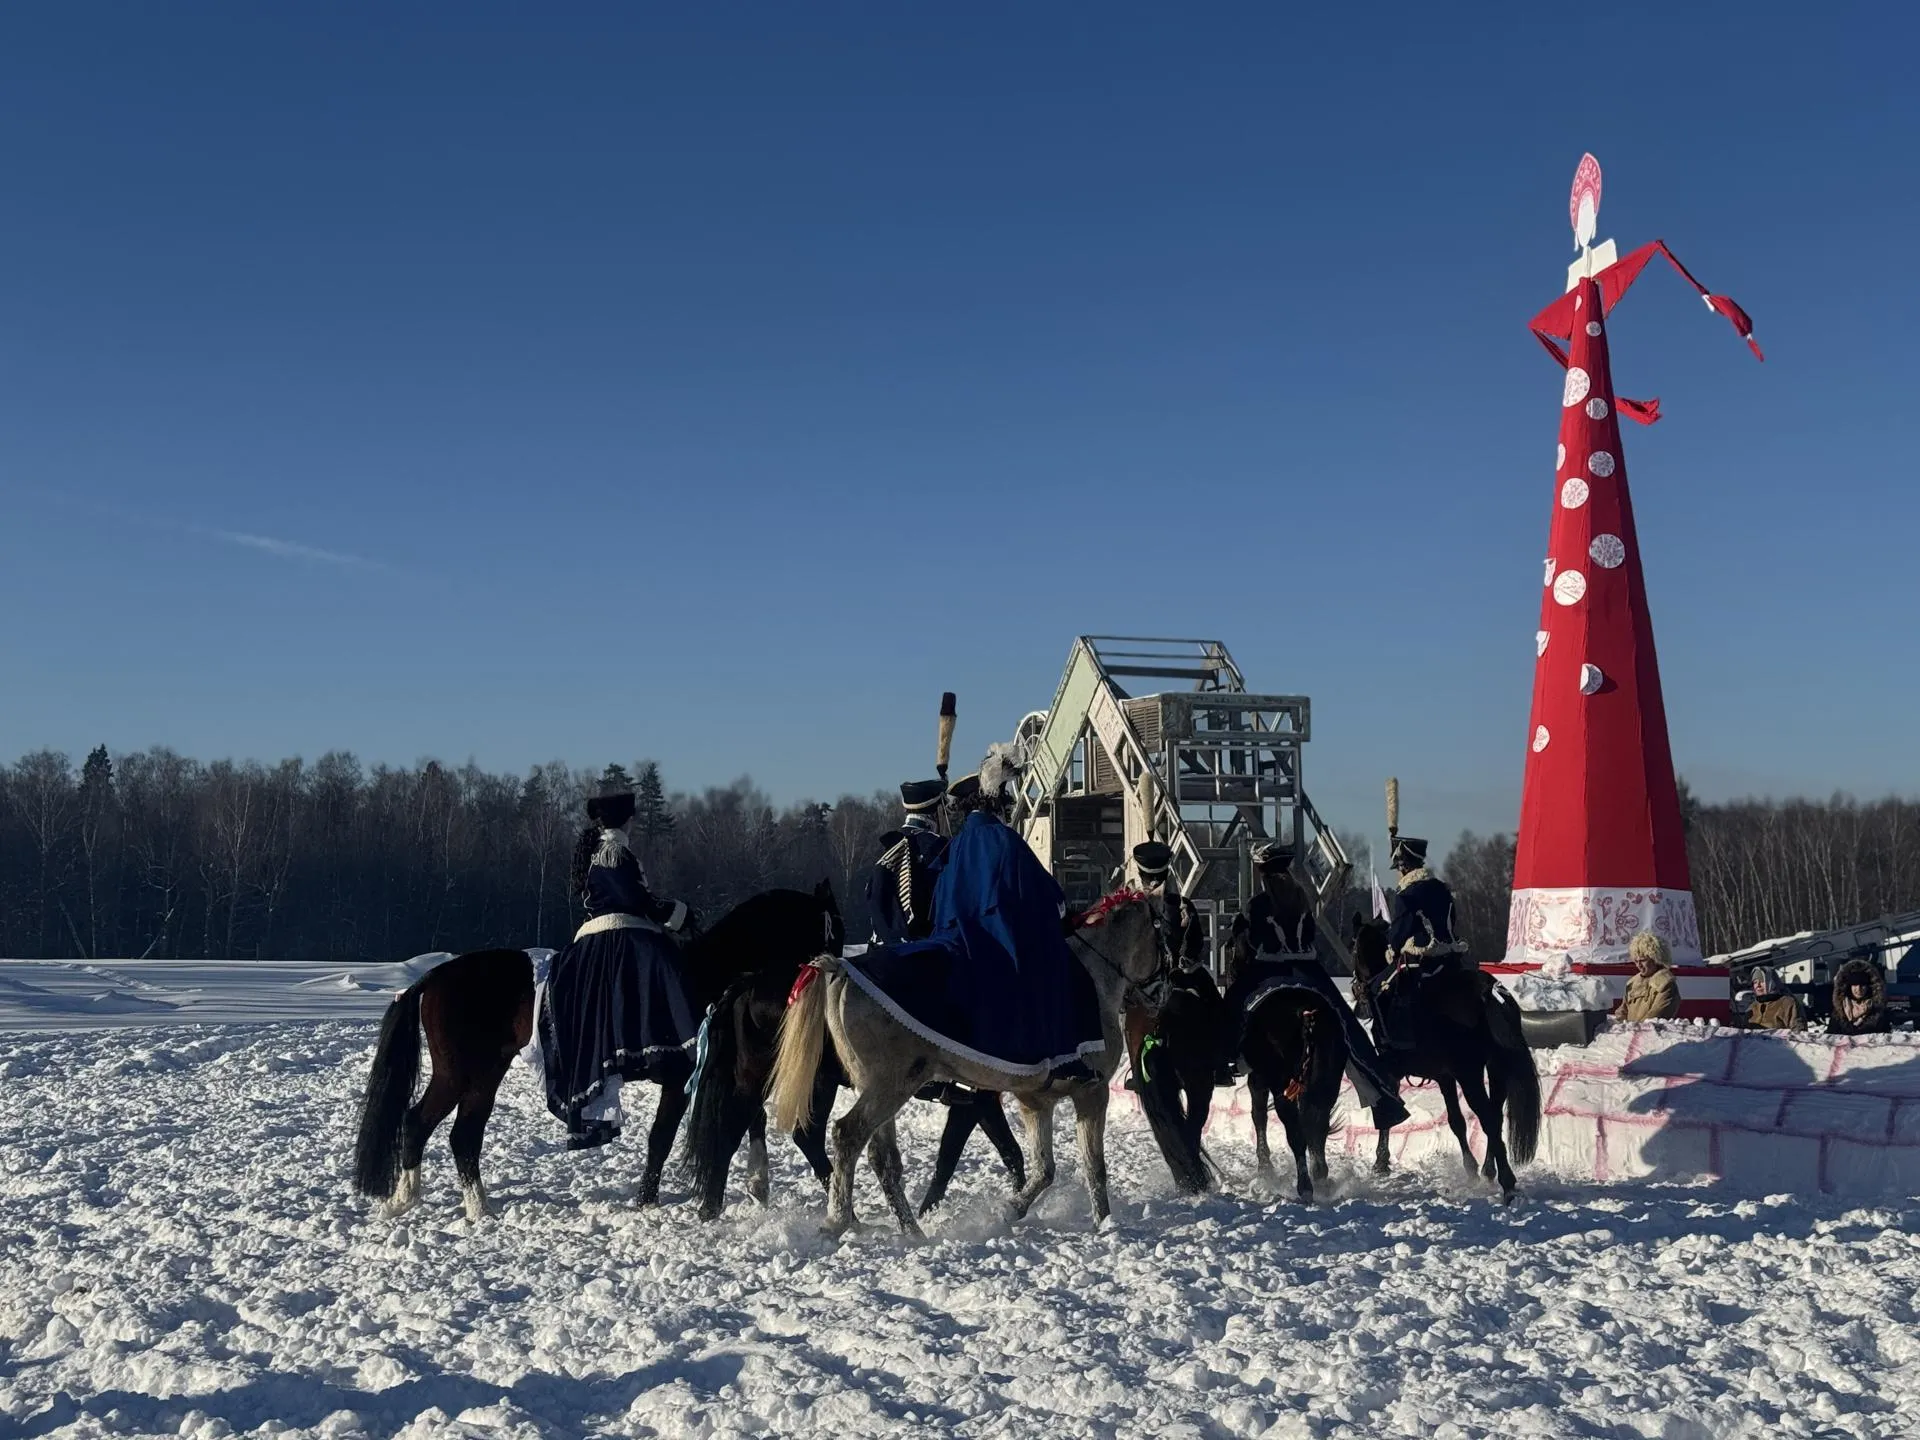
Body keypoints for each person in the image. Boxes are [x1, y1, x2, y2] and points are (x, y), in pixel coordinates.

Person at [845, 764, 1104, 1085]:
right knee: (1068, 969)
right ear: (997, 804)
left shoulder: (954, 847)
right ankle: (1067, 1057)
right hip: (995, 944)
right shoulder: (1003, 839)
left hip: (951, 940)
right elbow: (1046, 897)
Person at [538, 780, 699, 1148]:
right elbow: (636, 900)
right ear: (625, 820)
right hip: (621, 933)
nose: (635, 825)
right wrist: (679, 913)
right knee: (667, 966)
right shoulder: (615, 854)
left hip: (596, 933)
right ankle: (673, 1045)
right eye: (632, 819)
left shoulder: (599, 852)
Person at [1224, 839, 1409, 1127]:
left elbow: (1257, 940)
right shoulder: (1302, 896)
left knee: (1232, 1003)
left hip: (1270, 968)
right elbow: (1309, 934)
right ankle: (1382, 1094)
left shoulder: (1258, 903)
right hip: (1309, 969)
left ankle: (1222, 1061)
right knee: (1346, 1023)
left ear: (1262, 869)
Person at [1373, 835, 1468, 1050]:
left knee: (1374, 990)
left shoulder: (1407, 894)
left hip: (1422, 956)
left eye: (1399, 867)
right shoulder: (1442, 889)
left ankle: (1390, 1045)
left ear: (1404, 866)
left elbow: (1399, 932)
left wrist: (1392, 948)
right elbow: (1451, 921)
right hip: (1449, 954)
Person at [864, 779, 949, 945]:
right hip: (924, 950)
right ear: (936, 812)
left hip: (883, 949)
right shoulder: (939, 846)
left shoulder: (889, 844)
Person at [1613, 931, 1680, 1022]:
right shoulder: (1632, 984)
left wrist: (1635, 1028)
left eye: (1643, 960)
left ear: (1655, 959)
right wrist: (1618, 1022)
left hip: (1651, 1034)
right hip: (1630, 1034)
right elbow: (1623, 1010)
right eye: (1636, 961)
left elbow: (1656, 1017)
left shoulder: (1665, 984)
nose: (1639, 965)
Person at [1828, 959, 1890, 1036]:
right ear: (1849, 987)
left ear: (1869, 987)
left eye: (1862, 985)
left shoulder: (1878, 1012)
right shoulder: (1838, 1013)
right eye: (1854, 985)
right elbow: (1830, 1038)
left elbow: (1885, 1039)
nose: (1858, 989)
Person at [1742, 965, 1804, 1031]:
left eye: (1762, 981)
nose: (1758, 985)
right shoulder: (1752, 1007)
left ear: (1771, 982)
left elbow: (1799, 1034)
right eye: (1755, 982)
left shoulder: (1788, 1004)